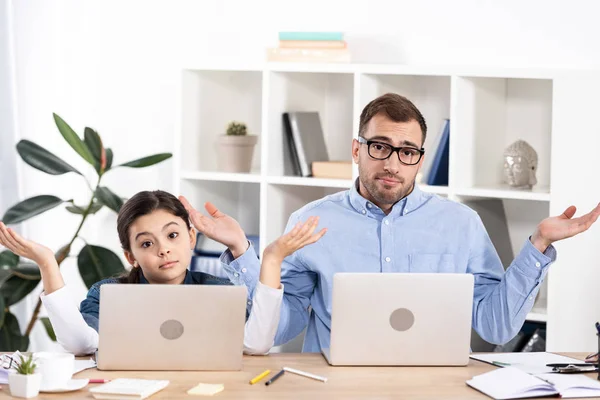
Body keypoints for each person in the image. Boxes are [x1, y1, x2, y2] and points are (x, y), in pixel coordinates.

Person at [194, 93, 600, 353]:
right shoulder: (310, 221)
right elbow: (281, 328)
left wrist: (538, 245)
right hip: (335, 389)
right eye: (379, 146)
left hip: (435, 389)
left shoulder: (461, 224)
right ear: (357, 149)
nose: (391, 163)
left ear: (420, 160)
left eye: (407, 151)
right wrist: (244, 253)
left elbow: (494, 326)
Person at [0, 190, 324, 355]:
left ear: (191, 237)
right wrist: (47, 264)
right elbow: (81, 344)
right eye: (146, 243)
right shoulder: (108, 294)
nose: (163, 249)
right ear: (131, 256)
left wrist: (269, 260)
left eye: (172, 235)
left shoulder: (218, 289)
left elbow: (255, 344)